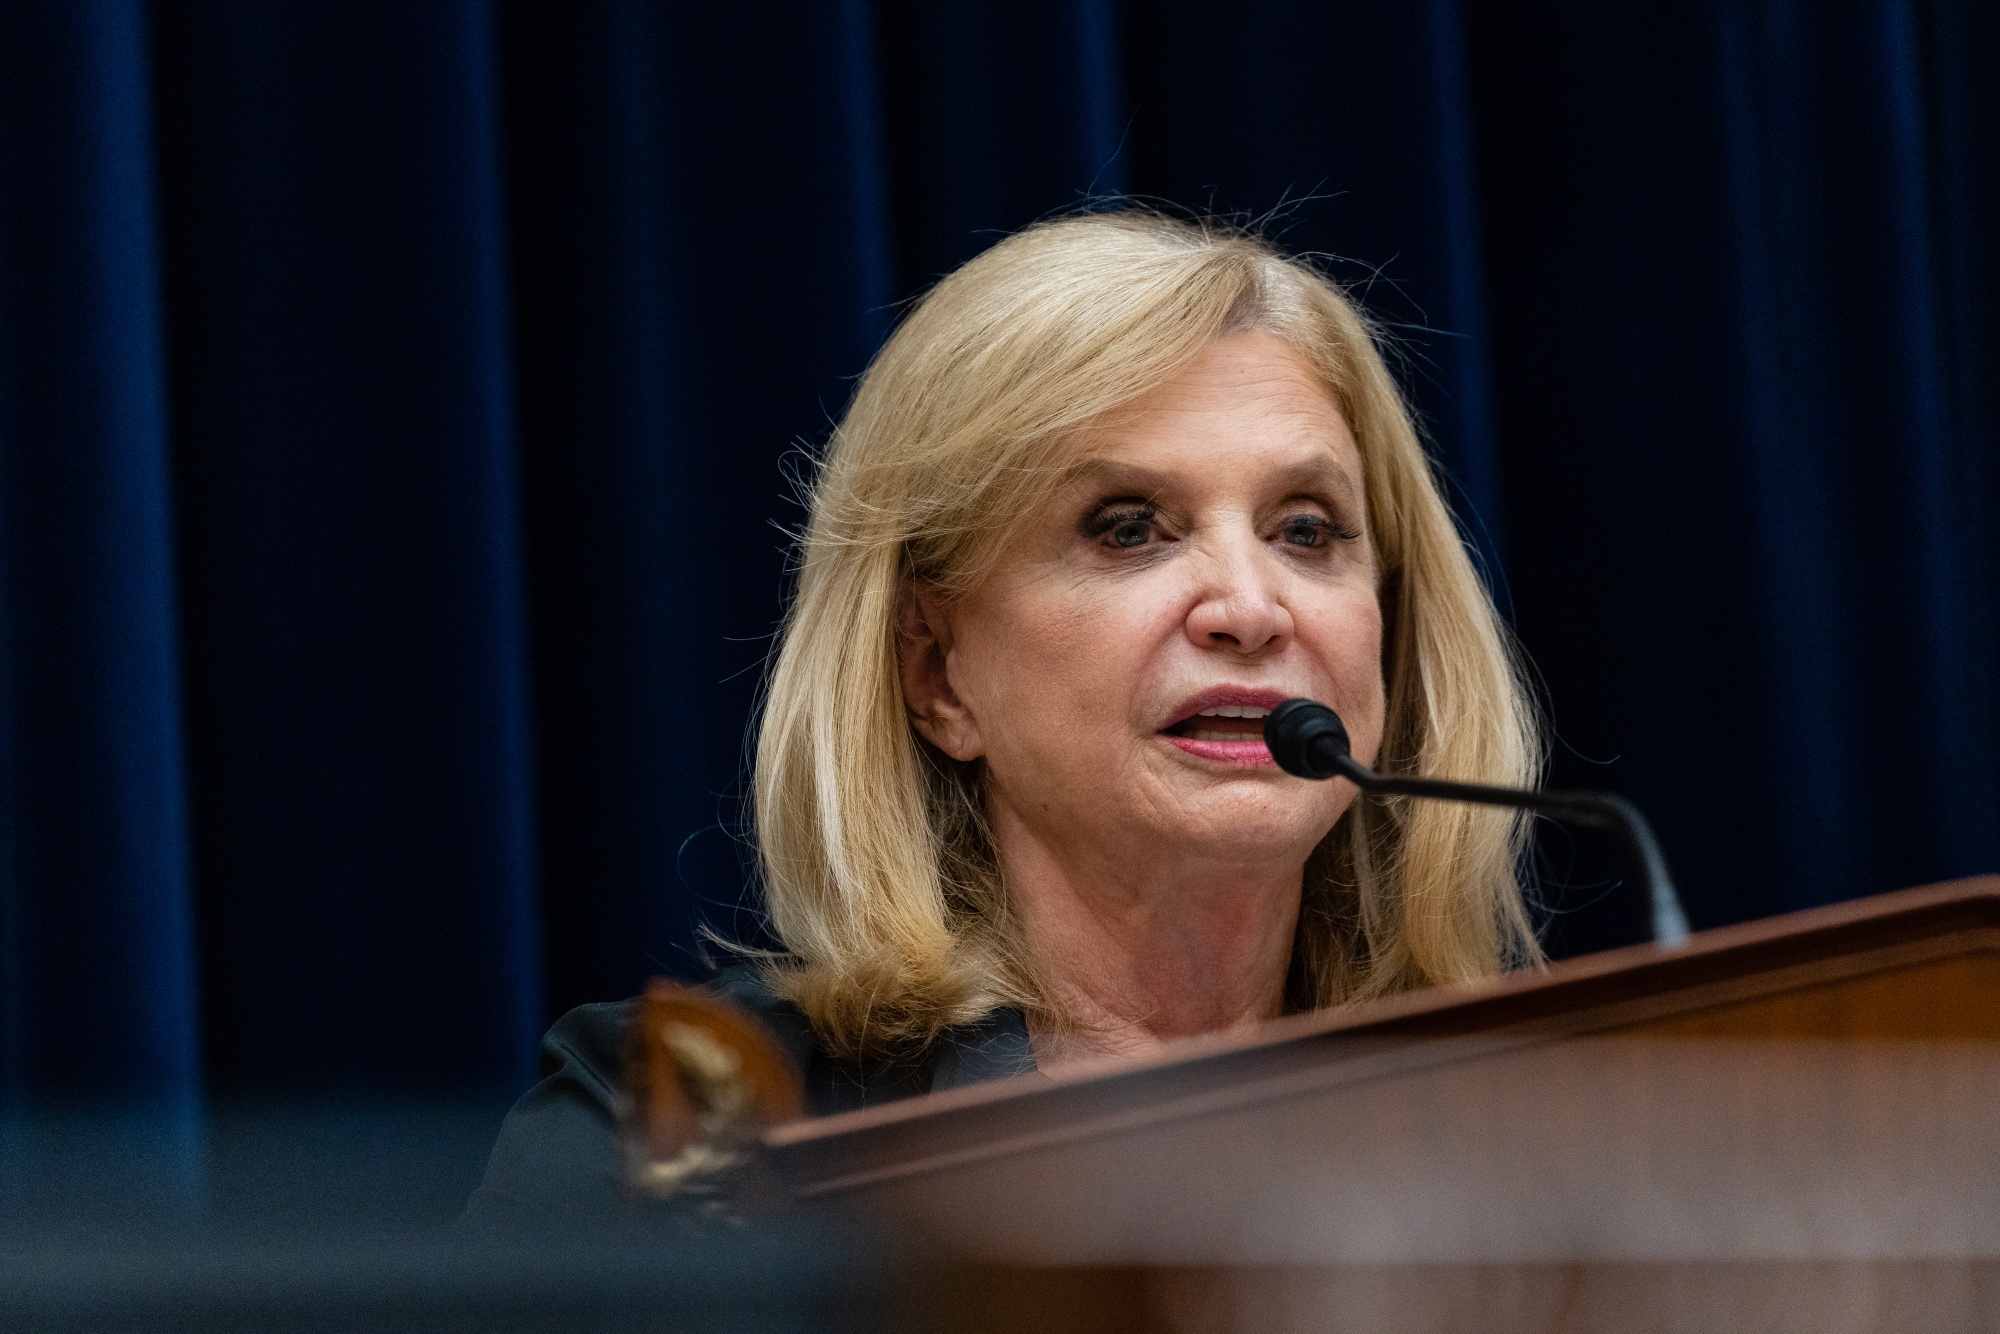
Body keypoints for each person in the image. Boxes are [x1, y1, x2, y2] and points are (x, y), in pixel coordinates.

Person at [463, 211, 1541, 1225]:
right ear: (936, 673)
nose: (1250, 608)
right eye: (1127, 529)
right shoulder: (679, 1139)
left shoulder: (1549, 1121)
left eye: (1305, 529)